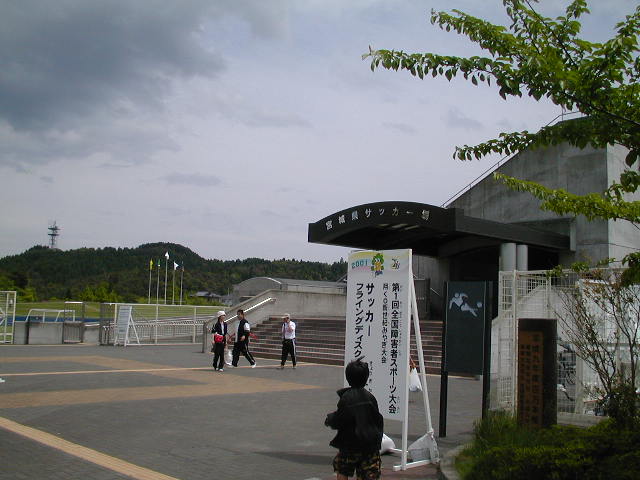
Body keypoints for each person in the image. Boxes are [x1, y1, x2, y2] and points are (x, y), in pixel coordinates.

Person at [325, 359, 384, 480]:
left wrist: (330, 419)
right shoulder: (371, 397)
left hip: (350, 444)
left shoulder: (347, 398)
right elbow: (378, 420)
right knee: (369, 472)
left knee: (342, 468)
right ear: (366, 378)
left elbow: (340, 418)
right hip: (370, 444)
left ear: (348, 378)